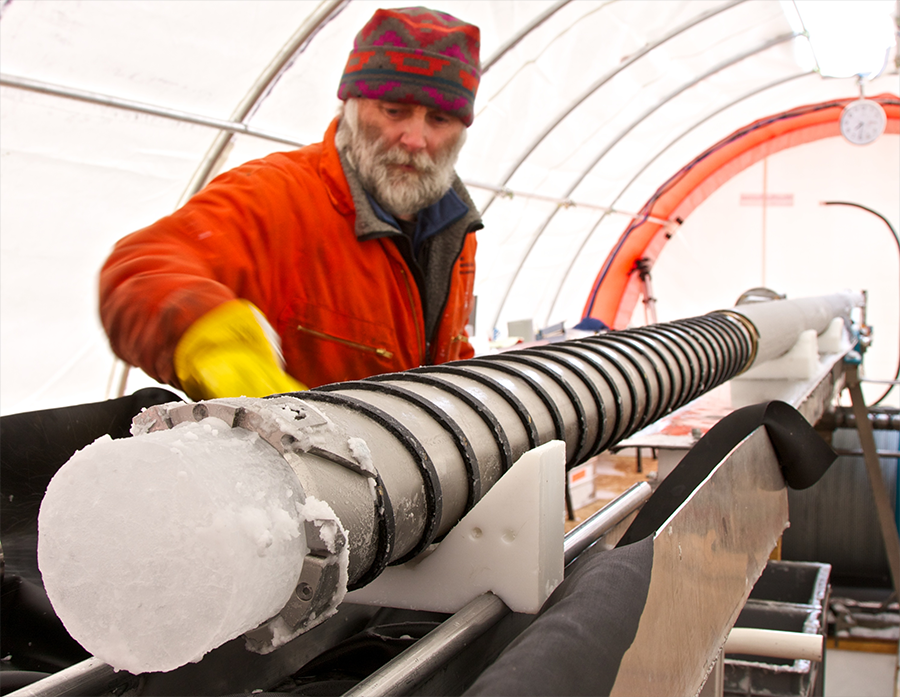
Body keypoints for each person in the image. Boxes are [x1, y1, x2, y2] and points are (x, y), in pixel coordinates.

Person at [99, 6, 483, 401]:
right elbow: (138, 271)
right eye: (394, 111)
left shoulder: (455, 227)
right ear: (351, 107)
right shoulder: (276, 198)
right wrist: (209, 337)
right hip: (294, 459)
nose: (415, 139)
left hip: (425, 455)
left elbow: (449, 351)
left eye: (438, 119)